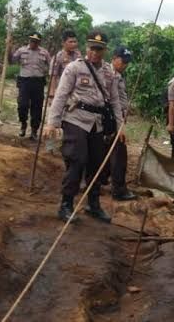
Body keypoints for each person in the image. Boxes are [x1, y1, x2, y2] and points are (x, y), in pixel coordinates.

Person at [44, 30, 124, 223]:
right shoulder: (74, 68)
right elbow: (61, 95)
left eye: (99, 49)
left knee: (96, 163)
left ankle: (93, 204)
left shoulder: (108, 72)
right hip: (75, 119)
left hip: (97, 123)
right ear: (87, 48)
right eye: (92, 48)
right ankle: (66, 204)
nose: (95, 52)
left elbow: (114, 101)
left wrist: (121, 126)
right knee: (77, 160)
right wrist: (52, 123)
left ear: (105, 50)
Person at [107, 46, 137, 201]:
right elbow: (113, 102)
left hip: (115, 119)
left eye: (127, 62)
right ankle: (118, 189)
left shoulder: (118, 75)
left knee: (107, 151)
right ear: (114, 58)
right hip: (111, 120)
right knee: (119, 154)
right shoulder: (109, 74)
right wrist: (120, 122)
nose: (125, 65)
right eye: (122, 61)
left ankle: (101, 181)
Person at [11, 32, 51, 139]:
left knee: (37, 108)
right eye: (32, 41)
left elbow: (51, 66)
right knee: (22, 105)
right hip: (24, 82)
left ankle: (34, 131)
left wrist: (51, 75)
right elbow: (12, 60)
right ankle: (23, 124)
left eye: (36, 41)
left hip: (38, 82)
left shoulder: (44, 53)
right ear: (29, 41)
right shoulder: (21, 50)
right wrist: (10, 47)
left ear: (39, 42)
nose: (33, 43)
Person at [48, 29, 82, 98]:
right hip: (63, 90)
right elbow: (53, 77)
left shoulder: (78, 55)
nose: (73, 44)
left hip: (76, 91)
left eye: (75, 42)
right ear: (63, 43)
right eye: (70, 42)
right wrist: (51, 94)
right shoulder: (58, 57)